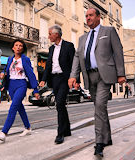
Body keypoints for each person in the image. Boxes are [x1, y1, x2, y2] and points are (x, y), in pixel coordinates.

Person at [68, 8, 126, 157]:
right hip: (89, 76)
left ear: (99, 17)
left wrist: (121, 74)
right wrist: (73, 76)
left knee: (99, 106)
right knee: (100, 108)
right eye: (86, 16)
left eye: (91, 15)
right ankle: (108, 138)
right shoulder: (82, 38)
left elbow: (118, 51)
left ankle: (99, 143)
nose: (88, 18)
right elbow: (77, 57)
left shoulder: (109, 31)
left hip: (104, 75)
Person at [0, 39, 40, 142]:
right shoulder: (10, 59)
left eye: (20, 45)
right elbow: (6, 70)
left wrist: (35, 89)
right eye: (16, 45)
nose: (18, 47)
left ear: (23, 48)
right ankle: (28, 127)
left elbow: (31, 74)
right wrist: (3, 73)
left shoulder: (25, 59)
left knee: (13, 106)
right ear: (13, 47)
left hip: (21, 84)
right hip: (11, 85)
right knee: (19, 107)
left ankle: (4, 132)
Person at [39, 25, 75, 144]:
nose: (48, 36)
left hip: (64, 79)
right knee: (61, 105)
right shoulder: (51, 49)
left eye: (50, 34)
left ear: (56, 34)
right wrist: (43, 79)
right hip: (54, 79)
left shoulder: (68, 46)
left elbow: (74, 64)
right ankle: (67, 129)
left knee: (59, 103)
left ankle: (60, 133)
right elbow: (48, 65)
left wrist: (76, 80)